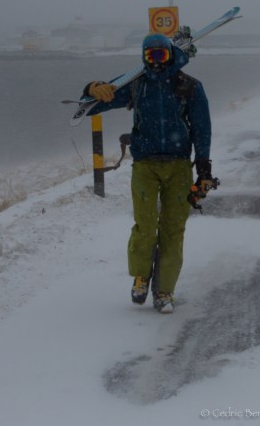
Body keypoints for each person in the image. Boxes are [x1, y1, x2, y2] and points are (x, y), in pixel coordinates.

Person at [82, 33, 213, 314]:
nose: (156, 62)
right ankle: (141, 277)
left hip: (179, 166)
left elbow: (202, 128)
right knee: (144, 225)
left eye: (161, 56)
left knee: (173, 229)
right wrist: (92, 88)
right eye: (150, 56)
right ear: (143, 57)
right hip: (145, 165)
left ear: (170, 55)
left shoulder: (189, 86)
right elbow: (94, 103)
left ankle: (164, 289)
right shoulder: (134, 85)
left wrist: (203, 169)